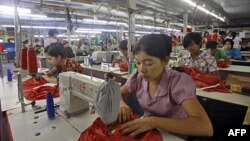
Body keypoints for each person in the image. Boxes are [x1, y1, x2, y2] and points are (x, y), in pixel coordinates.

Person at [119, 34, 213, 138]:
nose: (142, 69)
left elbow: (205, 127)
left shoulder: (178, 82)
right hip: (149, 130)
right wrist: (122, 105)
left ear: (165, 61)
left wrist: (154, 122)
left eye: (148, 64)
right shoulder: (138, 76)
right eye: (138, 62)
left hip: (173, 136)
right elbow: (118, 93)